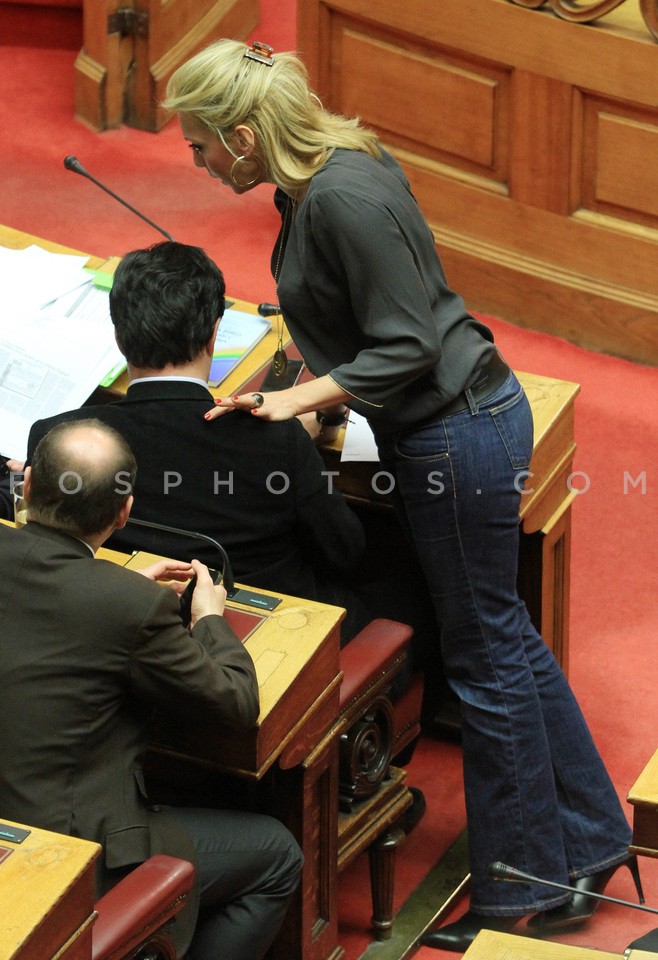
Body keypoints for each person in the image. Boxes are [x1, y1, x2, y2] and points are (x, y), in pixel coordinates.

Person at [162, 38, 638, 951]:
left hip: (458, 434)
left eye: (199, 144)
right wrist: (314, 369)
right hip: (443, 425)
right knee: (503, 638)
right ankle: (589, 841)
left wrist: (298, 397)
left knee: (485, 662)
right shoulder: (316, 177)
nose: (194, 159)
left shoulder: (343, 194)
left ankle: (516, 895)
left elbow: (410, 345)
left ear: (246, 135)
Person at [0, 419, 303, 960]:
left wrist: (115, 595)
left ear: (26, 488)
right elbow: (236, 706)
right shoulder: (131, 606)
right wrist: (210, 618)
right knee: (277, 854)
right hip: (67, 850)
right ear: (124, 512)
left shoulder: (120, 600)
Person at [25, 240, 371, 644]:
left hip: (123, 626)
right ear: (213, 336)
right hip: (262, 634)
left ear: (119, 338)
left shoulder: (59, 439)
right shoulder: (279, 441)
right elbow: (346, 552)